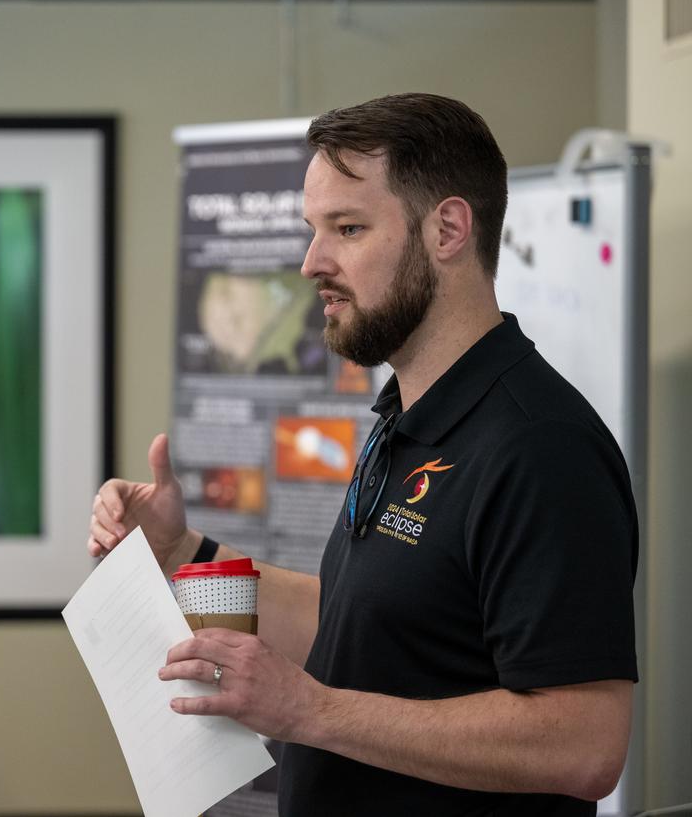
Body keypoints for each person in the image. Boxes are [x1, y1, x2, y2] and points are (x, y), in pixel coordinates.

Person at [88, 93, 638, 816]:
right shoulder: (401, 417)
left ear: (447, 228)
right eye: (314, 229)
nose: (313, 261)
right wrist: (182, 551)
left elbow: (584, 744)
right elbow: (358, 620)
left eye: (347, 227)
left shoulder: (540, 446)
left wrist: (311, 710)